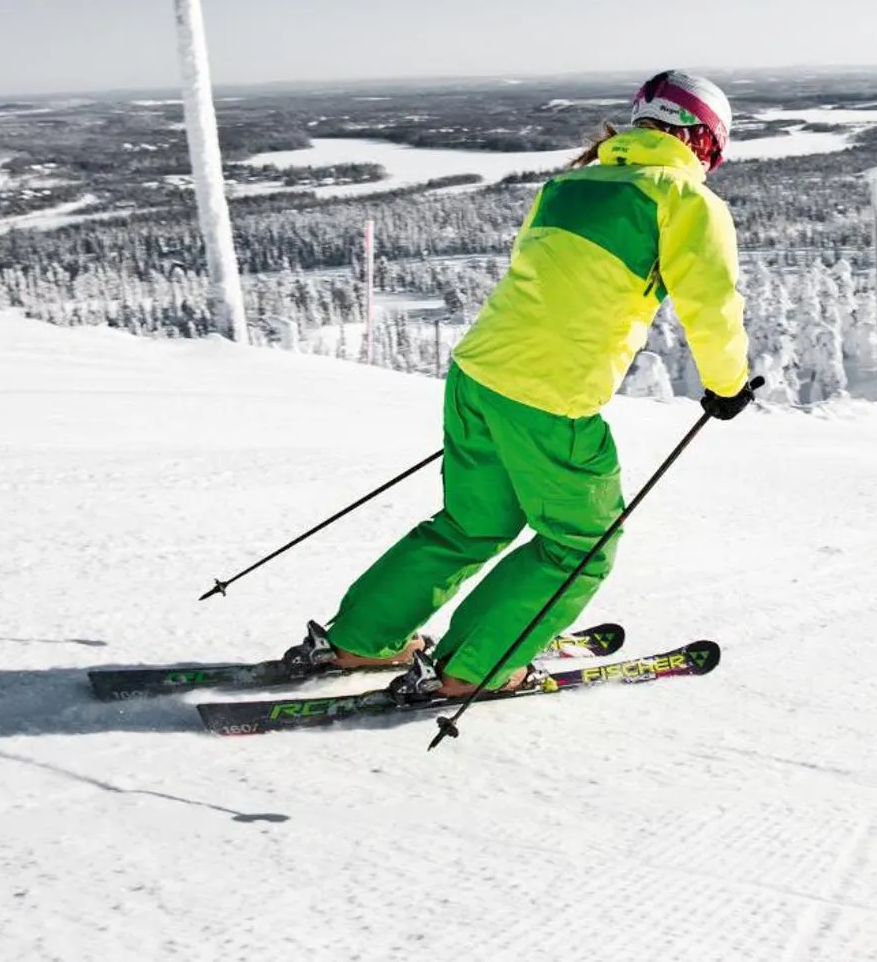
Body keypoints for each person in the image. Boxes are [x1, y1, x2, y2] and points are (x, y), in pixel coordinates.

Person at [281, 71, 754, 701]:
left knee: (471, 524)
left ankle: (361, 638)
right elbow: (712, 306)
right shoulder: (686, 200)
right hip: (552, 398)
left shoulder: (568, 185)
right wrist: (728, 386)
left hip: (477, 375)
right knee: (581, 543)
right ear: (705, 141)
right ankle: (474, 667)